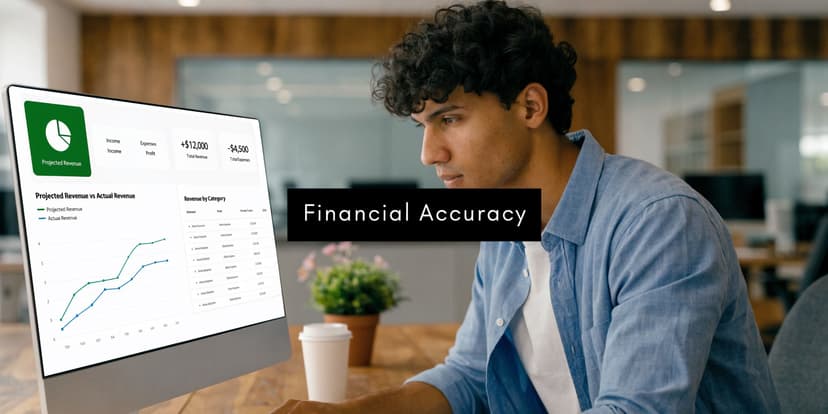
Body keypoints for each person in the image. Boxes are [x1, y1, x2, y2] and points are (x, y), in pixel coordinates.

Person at [274, 1, 780, 413]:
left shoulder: (658, 222)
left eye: (449, 119)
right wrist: (353, 412)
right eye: (423, 126)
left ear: (530, 107)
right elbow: (468, 377)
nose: (429, 153)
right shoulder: (504, 223)